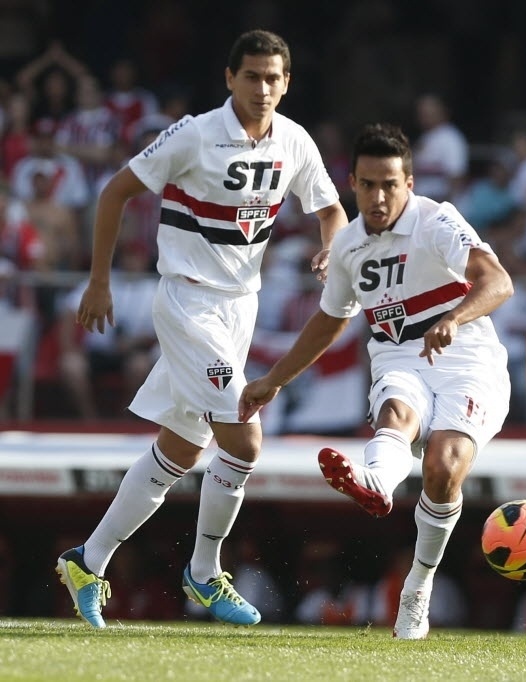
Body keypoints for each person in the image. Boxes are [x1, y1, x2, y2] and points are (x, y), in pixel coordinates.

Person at [55, 29, 348, 629]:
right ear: (229, 79)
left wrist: (328, 245)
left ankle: (89, 560)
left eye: (273, 78)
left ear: (286, 83)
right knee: (244, 438)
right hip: (187, 303)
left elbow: (330, 209)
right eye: (252, 77)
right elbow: (115, 193)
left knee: (182, 449)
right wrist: (100, 282)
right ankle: (205, 573)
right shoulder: (192, 134)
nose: (263, 88)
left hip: (242, 309)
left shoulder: (293, 140)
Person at [239, 122, 513, 640]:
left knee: (443, 466)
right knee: (396, 415)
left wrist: (453, 318)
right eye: (368, 184)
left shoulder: (437, 221)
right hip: (397, 356)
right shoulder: (347, 246)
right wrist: (273, 380)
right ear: (353, 184)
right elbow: (329, 320)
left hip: (467, 356)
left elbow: (497, 279)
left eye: (390, 183)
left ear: (408, 182)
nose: (379, 195)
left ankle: (418, 588)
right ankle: (377, 482)